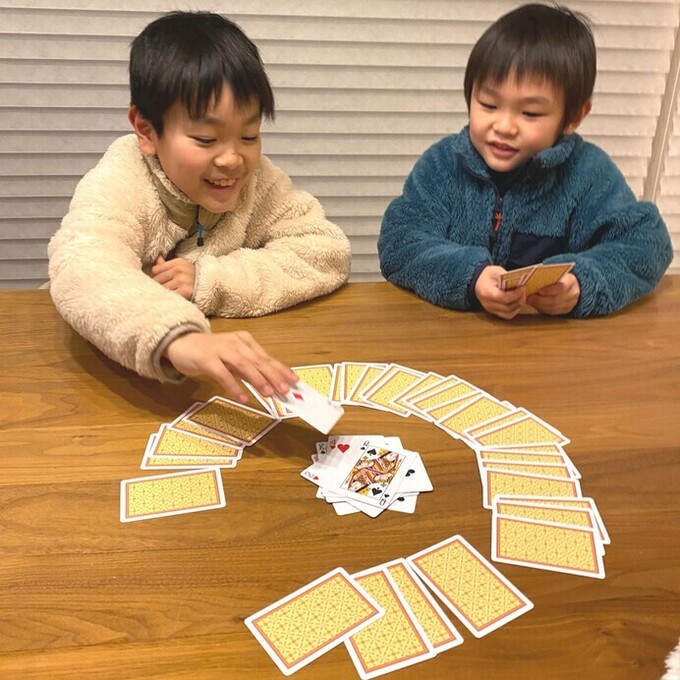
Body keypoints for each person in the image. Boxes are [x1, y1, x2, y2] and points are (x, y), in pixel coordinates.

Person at [48, 11, 351, 401]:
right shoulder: (122, 177)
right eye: (206, 139)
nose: (232, 159)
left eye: (249, 135)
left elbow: (325, 252)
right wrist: (176, 335)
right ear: (145, 130)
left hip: (221, 380)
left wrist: (210, 280)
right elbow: (83, 266)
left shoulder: (259, 180)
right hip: (110, 379)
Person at [378, 3, 673, 319]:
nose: (504, 127)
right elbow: (399, 241)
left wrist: (581, 283)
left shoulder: (589, 174)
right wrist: (472, 276)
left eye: (530, 113)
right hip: (451, 336)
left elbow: (647, 245)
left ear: (574, 117)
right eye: (489, 104)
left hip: (547, 343)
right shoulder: (442, 165)